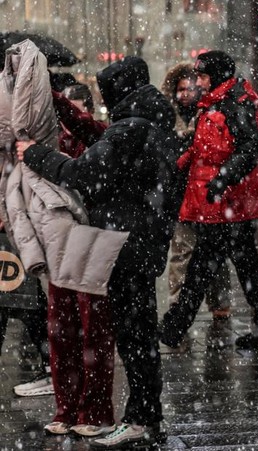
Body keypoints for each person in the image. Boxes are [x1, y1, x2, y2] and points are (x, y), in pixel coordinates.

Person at [16, 56, 183, 448]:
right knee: (139, 336)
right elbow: (103, 139)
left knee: (134, 339)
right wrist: (62, 106)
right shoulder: (149, 125)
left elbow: (82, 172)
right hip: (143, 244)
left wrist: (33, 153)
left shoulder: (130, 130)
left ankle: (140, 419)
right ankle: (147, 416)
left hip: (123, 247)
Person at [159, 50, 258, 351]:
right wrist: (181, 163)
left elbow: (249, 149)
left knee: (203, 267)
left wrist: (222, 179)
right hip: (218, 203)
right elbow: (203, 149)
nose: (198, 82)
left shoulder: (234, 105)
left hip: (229, 204)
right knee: (242, 266)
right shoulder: (213, 104)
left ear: (217, 76)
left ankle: (174, 327)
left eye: (203, 76)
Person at [39, 83, 116, 437]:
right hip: (59, 241)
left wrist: (53, 96)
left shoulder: (99, 138)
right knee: (61, 330)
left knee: (93, 332)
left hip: (91, 238)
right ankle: (66, 407)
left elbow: (83, 126)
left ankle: (95, 411)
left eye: (78, 105)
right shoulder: (48, 140)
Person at [161, 63, 234, 329]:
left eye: (190, 87)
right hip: (182, 198)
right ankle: (177, 305)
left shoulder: (211, 113)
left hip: (209, 196)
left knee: (213, 253)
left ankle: (220, 305)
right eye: (180, 89)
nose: (186, 94)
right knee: (182, 253)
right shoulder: (169, 118)